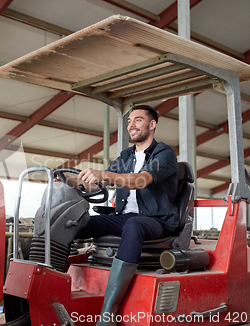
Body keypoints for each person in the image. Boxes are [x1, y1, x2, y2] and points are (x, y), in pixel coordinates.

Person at [70, 104, 178, 326]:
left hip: (158, 220)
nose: (131, 125)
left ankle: (108, 313)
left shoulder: (164, 154)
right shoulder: (126, 156)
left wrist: (104, 174)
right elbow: (99, 182)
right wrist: (70, 181)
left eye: (138, 120)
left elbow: (141, 181)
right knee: (75, 223)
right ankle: (54, 291)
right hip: (125, 217)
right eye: (129, 121)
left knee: (134, 225)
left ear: (152, 124)